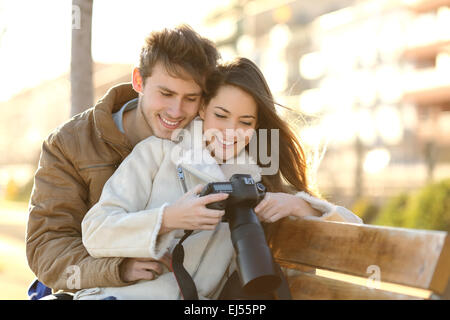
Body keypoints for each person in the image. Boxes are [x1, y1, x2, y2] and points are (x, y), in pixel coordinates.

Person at [74, 57, 363, 300]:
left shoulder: (257, 181)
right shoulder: (157, 153)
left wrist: (301, 206)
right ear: (202, 109)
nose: (231, 132)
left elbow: (357, 237)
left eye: (245, 122)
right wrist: (169, 218)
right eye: (221, 116)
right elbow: (95, 231)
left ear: (256, 126)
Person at [25, 24, 221, 297]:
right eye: (166, 94)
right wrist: (117, 268)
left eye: (190, 98)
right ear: (139, 81)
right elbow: (46, 248)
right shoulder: (69, 143)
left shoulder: (208, 138)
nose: (176, 111)